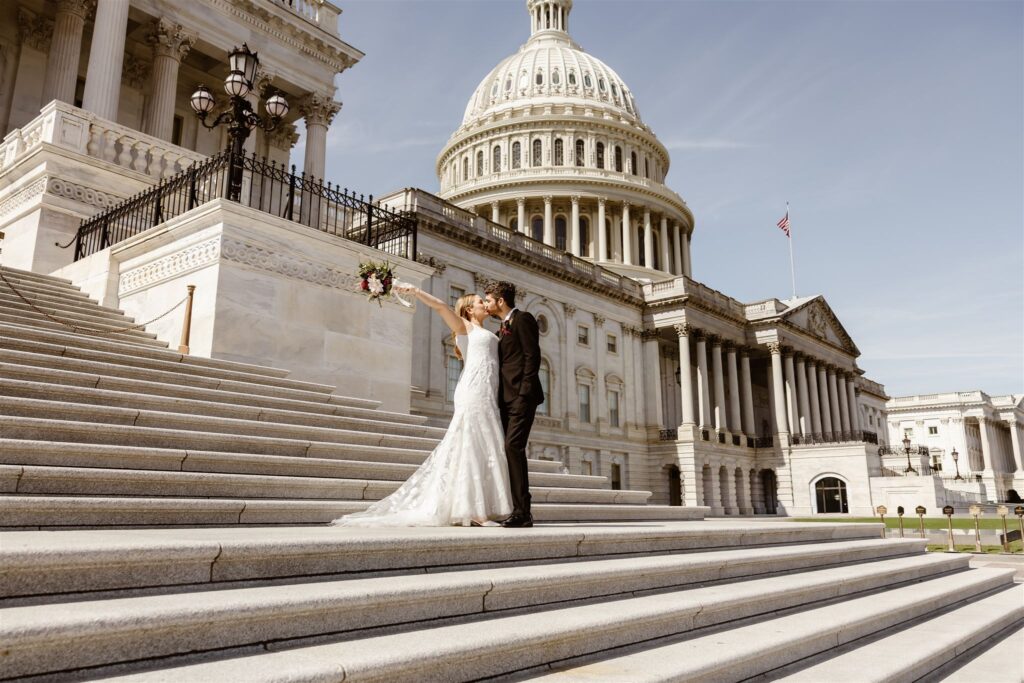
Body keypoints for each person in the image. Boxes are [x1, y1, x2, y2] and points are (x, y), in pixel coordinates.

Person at [332, 288, 512, 527]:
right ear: (469, 309)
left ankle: (480, 507)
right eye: (481, 302)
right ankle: (475, 513)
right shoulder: (464, 326)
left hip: (488, 394)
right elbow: (439, 306)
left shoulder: (489, 331)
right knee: (472, 444)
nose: (484, 305)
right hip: (473, 391)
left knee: (485, 444)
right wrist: (415, 291)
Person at [483, 281, 544, 528]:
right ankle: (515, 507)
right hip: (504, 399)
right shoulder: (501, 329)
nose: (486, 305)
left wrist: (524, 393)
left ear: (500, 301)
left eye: (488, 300)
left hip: (521, 397)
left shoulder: (523, 319)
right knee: (509, 449)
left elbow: (532, 356)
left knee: (512, 447)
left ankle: (523, 511)